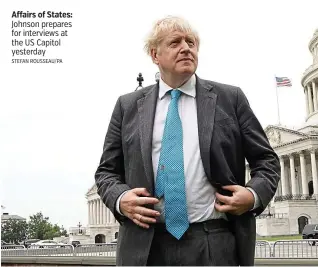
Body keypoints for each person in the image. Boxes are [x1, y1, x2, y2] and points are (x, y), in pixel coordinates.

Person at [95, 16, 280, 266]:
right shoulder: (127, 106)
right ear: (154, 54)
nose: (186, 48)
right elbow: (106, 172)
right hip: (145, 246)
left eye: (191, 42)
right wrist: (120, 199)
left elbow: (266, 160)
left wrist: (252, 195)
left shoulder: (230, 99)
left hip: (213, 242)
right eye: (175, 42)